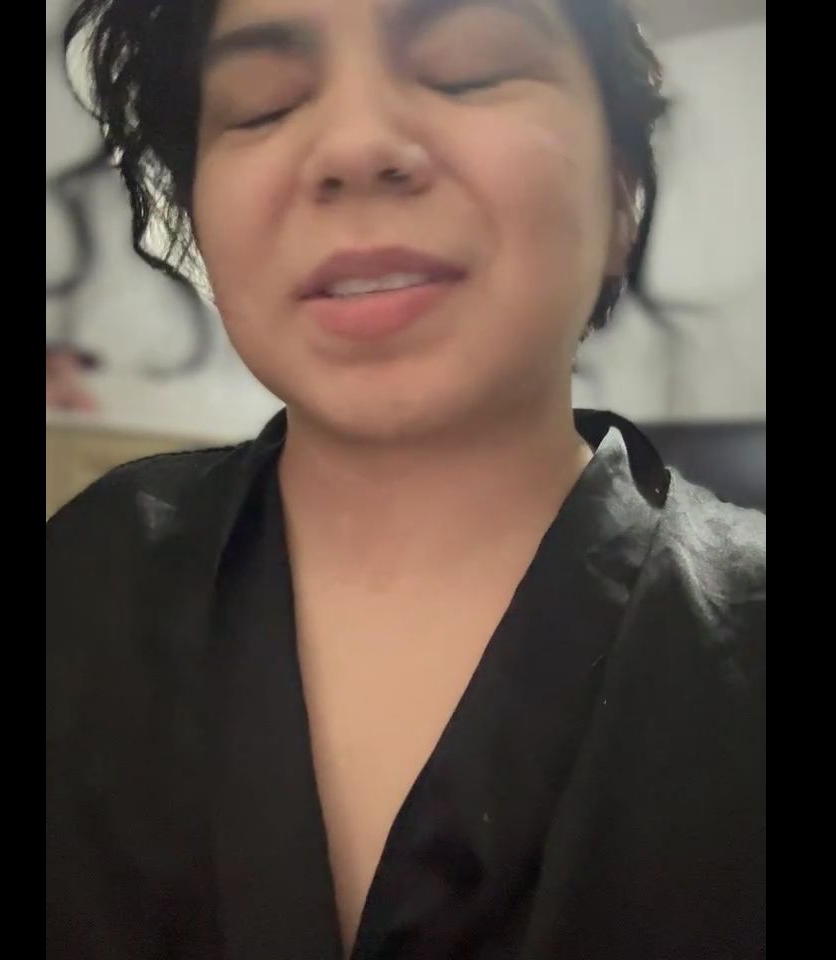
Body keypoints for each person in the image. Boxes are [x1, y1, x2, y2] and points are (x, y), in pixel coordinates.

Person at [46, 0, 766, 957]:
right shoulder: (81, 580)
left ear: (622, 197)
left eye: (471, 69)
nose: (355, 146)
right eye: (261, 106)